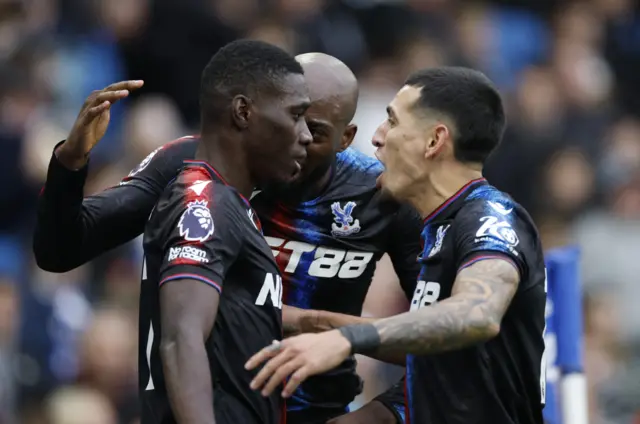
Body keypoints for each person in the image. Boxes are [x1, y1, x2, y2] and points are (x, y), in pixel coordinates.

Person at [33, 52, 420, 424]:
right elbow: (60, 251)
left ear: (345, 138)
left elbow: (445, 336)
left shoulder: (382, 195)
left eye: (314, 129)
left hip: (319, 410)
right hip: (209, 407)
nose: (298, 137)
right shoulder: (199, 180)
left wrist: (382, 414)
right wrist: (70, 161)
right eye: (292, 118)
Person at [246, 67, 548, 424]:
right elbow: (441, 355)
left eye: (392, 122)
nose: (377, 137)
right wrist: (307, 323)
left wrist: (346, 338)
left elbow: (476, 314)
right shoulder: (438, 227)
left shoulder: (489, 218)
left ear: (434, 141)